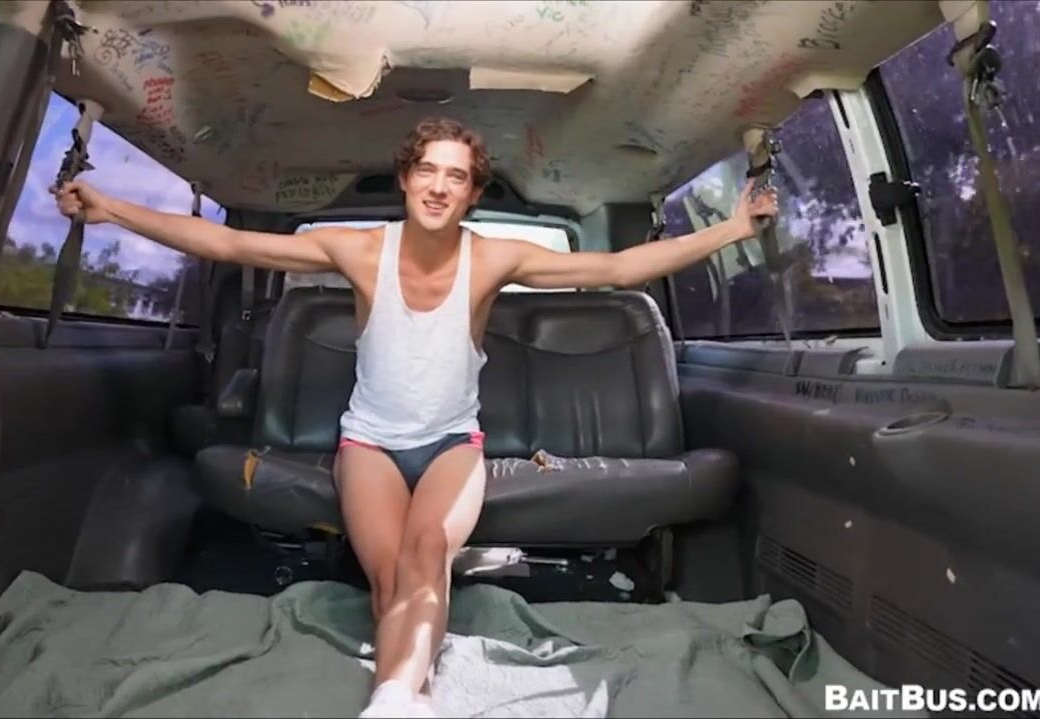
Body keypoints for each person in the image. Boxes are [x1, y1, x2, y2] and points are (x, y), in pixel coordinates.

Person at [52, 117, 778, 717]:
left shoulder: (492, 260)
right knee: (388, 576)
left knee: (426, 555)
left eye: (455, 176)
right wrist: (112, 208)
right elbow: (232, 243)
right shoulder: (360, 251)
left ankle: (396, 697)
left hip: (452, 447)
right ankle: (406, 693)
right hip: (368, 444)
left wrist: (735, 229)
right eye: (427, 170)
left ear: (472, 192)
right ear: (405, 179)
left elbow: (618, 270)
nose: (438, 186)